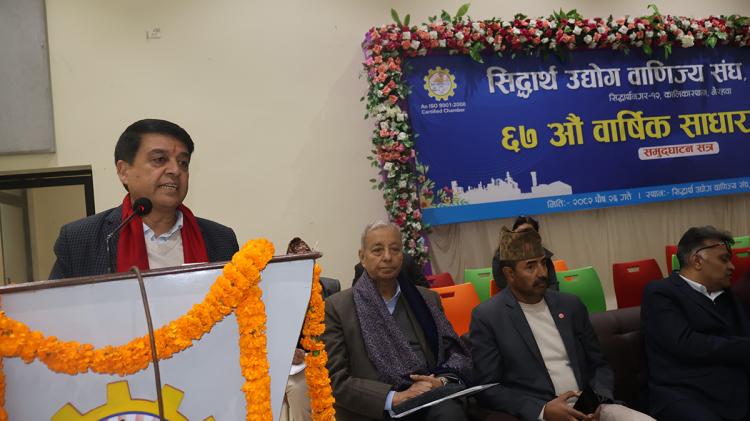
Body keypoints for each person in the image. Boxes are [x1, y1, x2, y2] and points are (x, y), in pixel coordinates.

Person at [470, 227, 653, 421]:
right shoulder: (488, 317)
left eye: (543, 263)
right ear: (509, 274)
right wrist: (543, 411)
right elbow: (488, 388)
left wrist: (599, 399)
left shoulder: (570, 305)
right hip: (543, 415)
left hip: (593, 409)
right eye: (530, 267)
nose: (542, 273)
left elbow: (599, 365)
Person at [49, 119, 239, 279]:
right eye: (159, 160)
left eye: (183, 162)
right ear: (124, 172)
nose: (175, 170)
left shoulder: (221, 240)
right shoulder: (82, 239)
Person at [322, 221, 472, 421]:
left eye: (395, 249)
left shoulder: (426, 299)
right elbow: (335, 379)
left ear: (402, 256)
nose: (387, 257)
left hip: (430, 397)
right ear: (362, 257)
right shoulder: (338, 307)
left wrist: (441, 382)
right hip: (379, 409)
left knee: (450, 413)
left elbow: (456, 354)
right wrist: (394, 398)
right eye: (377, 250)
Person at [642, 226, 750, 421]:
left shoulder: (728, 295)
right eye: (724, 259)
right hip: (687, 394)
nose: (732, 267)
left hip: (736, 390)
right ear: (697, 260)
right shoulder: (661, 292)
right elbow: (685, 343)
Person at [492, 216, 558, 291]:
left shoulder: (544, 255)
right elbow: (503, 285)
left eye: (529, 233)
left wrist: (546, 296)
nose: (524, 237)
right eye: (521, 233)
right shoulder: (500, 257)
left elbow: (553, 283)